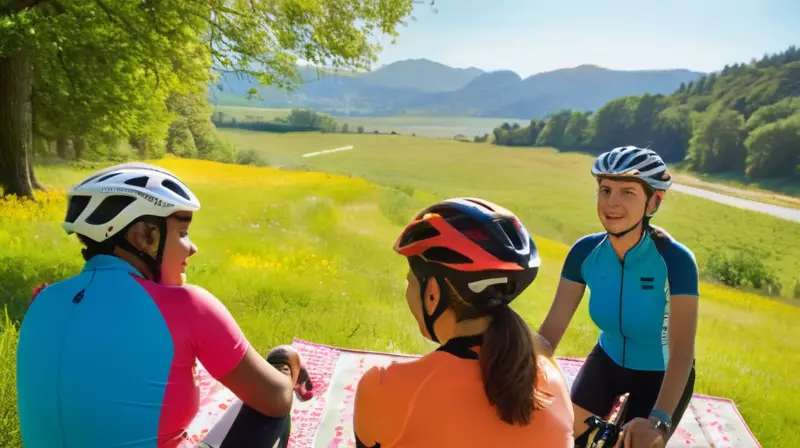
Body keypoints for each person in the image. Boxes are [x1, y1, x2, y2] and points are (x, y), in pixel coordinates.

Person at [16, 162, 311, 448]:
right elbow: (277, 400)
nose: (192, 247)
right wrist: (286, 360)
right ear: (144, 236)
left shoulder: (43, 300)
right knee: (270, 404)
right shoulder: (190, 306)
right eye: (182, 233)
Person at [353, 198, 575, 447]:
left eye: (411, 281)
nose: (408, 290)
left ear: (433, 293)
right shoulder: (553, 381)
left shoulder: (384, 386)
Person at [537, 146, 700, 448]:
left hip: (662, 373)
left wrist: (658, 420)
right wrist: (509, 352)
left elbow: (681, 351)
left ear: (654, 202)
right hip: (607, 360)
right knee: (562, 436)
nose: (611, 203)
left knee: (636, 443)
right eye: (605, 190)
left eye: (627, 193)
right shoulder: (584, 253)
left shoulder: (676, 261)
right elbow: (548, 336)